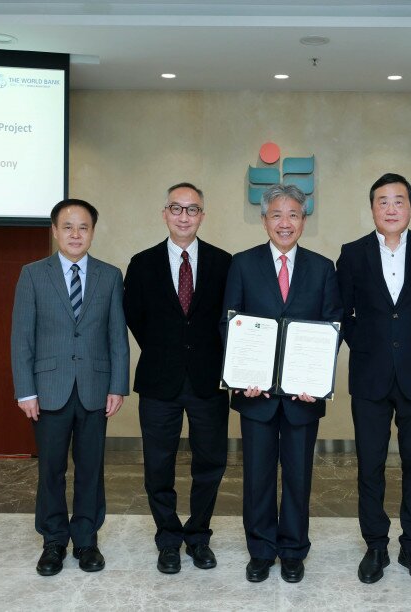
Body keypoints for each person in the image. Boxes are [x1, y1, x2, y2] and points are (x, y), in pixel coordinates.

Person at [221, 184, 342, 584]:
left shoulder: (323, 268)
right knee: (256, 475)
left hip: (301, 397)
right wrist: (241, 377)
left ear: (304, 221)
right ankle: (260, 549)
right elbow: (230, 322)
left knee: (298, 475)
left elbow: (332, 328)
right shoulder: (242, 263)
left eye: (293, 214)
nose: (285, 222)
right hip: (255, 396)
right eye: (277, 214)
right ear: (264, 220)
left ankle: (292, 549)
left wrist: (316, 377)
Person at [336, 173, 411, 585]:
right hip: (370, 375)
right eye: (382, 201)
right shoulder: (352, 254)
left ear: (410, 207)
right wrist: (369, 345)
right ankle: (375, 544)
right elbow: (342, 313)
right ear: (372, 209)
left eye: (398, 201)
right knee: (370, 465)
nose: (390, 208)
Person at [11, 198, 130, 576]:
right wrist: (25, 391)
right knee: (51, 469)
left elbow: (117, 337)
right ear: (55, 231)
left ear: (93, 231)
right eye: (68, 227)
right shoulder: (32, 274)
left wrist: (118, 386)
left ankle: (86, 540)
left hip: (96, 389)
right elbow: (21, 338)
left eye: (83, 227)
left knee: (91, 468)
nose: (76, 234)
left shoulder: (110, 276)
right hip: (48, 390)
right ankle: (53, 542)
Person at [123, 182, 232, 574]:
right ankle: (168, 538)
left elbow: (230, 322)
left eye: (192, 209)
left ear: (202, 215)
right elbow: (134, 317)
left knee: (210, 464)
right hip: (159, 382)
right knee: (158, 466)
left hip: (209, 382)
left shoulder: (224, 263)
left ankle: (199, 536)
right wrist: (166, 349)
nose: (184, 216)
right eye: (177, 208)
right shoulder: (142, 263)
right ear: (165, 213)